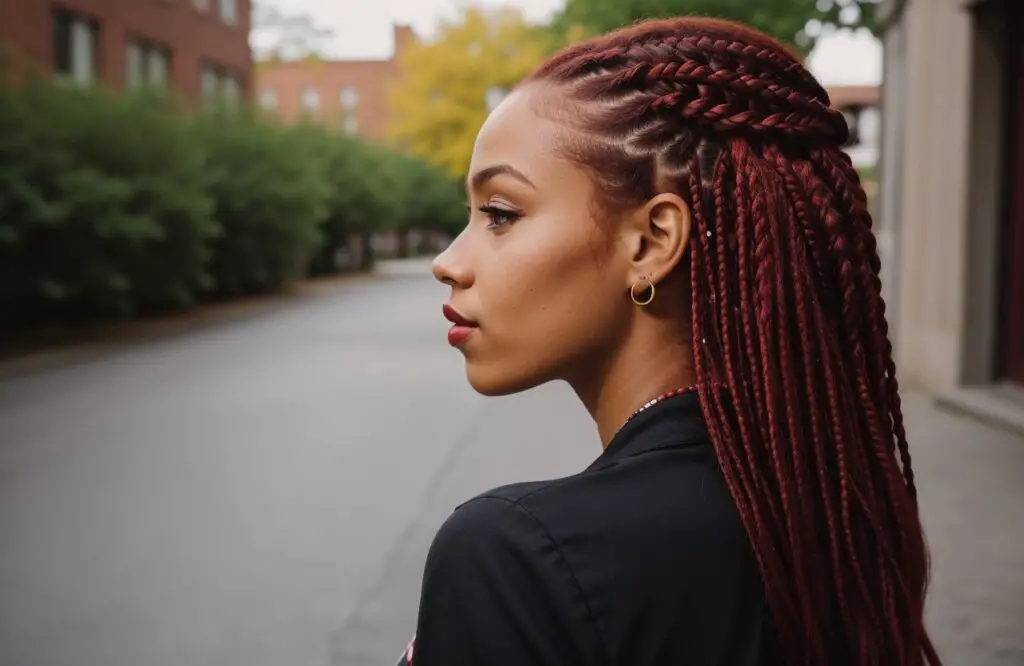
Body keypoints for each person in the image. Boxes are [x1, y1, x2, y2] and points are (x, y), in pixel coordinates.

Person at [401, 16, 939, 666]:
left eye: (501, 214)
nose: (449, 261)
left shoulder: (517, 558)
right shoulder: (832, 507)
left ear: (652, 242)